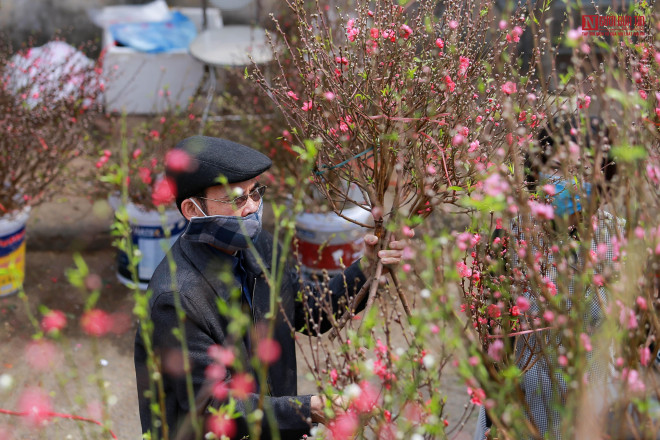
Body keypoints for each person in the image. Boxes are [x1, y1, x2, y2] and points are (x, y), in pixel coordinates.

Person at [134, 136, 406, 440]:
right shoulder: (176, 298)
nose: (252, 207)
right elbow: (212, 403)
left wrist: (366, 268)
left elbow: (309, 310)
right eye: (237, 199)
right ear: (193, 210)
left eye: (255, 193)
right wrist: (309, 409)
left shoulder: (260, 248)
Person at [474, 116, 621, 439]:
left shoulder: (618, 240)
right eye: (557, 167)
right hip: (523, 411)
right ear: (536, 172)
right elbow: (493, 348)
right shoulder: (508, 240)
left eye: (583, 171)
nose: (568, 181)